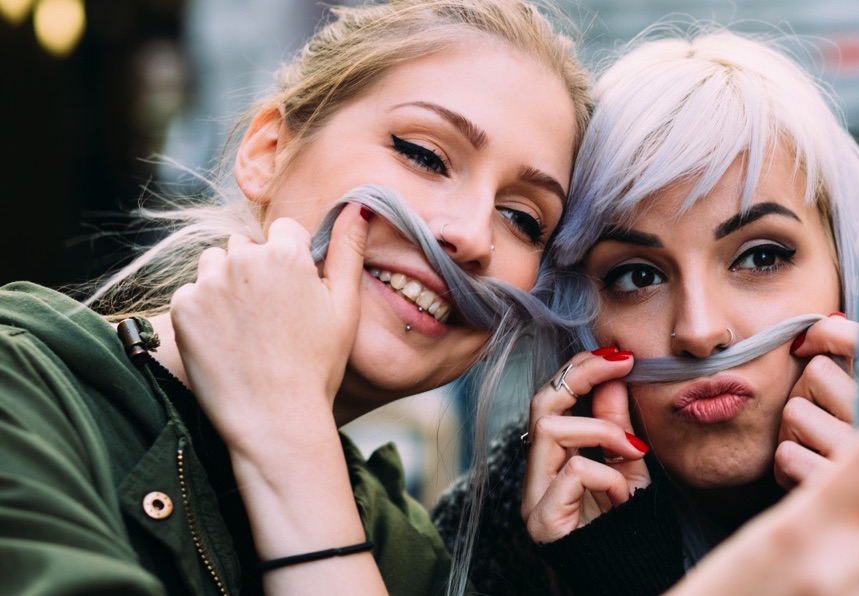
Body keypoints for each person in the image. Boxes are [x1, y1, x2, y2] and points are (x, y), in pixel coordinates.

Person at [431, 28, 859, 595]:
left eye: (760, 258)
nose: (699, 331)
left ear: (843, 273)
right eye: (637, 275)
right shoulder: (473, 552)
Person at [0, 0, 591, 594]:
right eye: (423, 154)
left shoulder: (408, 558)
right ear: (269, 152)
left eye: (522, 219)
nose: (469, 234)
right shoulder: (22, 387)